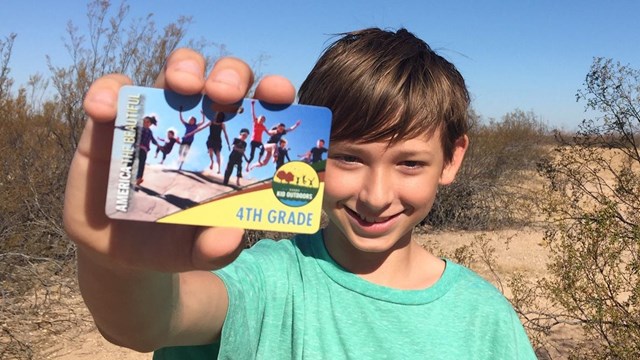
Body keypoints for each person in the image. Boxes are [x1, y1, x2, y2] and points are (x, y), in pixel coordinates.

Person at [64, 28, 536, 359]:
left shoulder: (484, 318)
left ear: (451, 160)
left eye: (410, 163)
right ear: (309, 152)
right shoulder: (271, 280)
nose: (375, 196)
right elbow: (152, 318)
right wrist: (120, 267)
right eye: (348, 158)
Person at [177, 106, 206, 170]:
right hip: (184, 139)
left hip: (189, 141)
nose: (191, 120)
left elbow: (203, 122)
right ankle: (179, 159)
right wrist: (180, 112)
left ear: (194, 121)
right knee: (180, 151)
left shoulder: (195, 126)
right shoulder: (187, 125)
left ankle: (181, 166)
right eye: (190, 119)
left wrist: (203, 115)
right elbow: (181, 119)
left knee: (185, 153)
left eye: (192, 120)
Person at [245, 99, 270, 172]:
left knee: (262, 148)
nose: (262, 120)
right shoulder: (255, 122)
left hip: (259, 142)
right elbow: (253, 114)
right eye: (261, 119)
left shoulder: (263, 126)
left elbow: (268, 133)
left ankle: (259, 159)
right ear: (258, 119)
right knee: (251, 156)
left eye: (263, 120)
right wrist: (252, 105)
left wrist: (275, 132)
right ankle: (247, 165)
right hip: (253, 141)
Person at [135, 115, 159, 186]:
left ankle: (139, 178)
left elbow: (153, 140)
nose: (145, 123)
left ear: (150, 124)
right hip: (136, 147)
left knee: (142, 163)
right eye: (144, 121)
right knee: (131, 160)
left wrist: (158, 145)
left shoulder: (150, 132)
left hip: (144, 150)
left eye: (147, 122)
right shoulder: (138, 128)